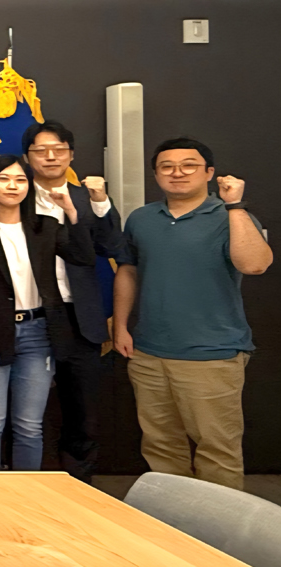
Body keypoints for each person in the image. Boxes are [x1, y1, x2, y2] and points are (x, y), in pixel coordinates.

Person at [113, 138, 271, 490]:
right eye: (167, 167)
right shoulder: (141, 219)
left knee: (217, 449)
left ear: (209, 172)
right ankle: (169, 520)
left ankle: (217, 523)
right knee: (160, 446)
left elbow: (255, 264)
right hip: (148, 353)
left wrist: (235, 205)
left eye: (189, 165)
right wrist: (120, 326)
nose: (178, 173)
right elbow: (128, 272)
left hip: (212, 354)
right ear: (156, 174)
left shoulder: (230, 216)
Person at [0, 155, 93, 470]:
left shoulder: (44, 226)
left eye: (20, 180)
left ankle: (27, 493)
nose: (13, 186)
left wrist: (71, 212)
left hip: (39, 333)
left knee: (29, 425)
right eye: (4, 179)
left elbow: (83, 256)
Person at [21, 121, 123, 482]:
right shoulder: (13, 194)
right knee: (20, 411)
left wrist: (100, 201)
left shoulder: (88, 198)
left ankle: (79, 487)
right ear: (27, 157)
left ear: (72, 154)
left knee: (82, 412)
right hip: (29, 315)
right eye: (40, 150)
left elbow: (112, 246)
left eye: (59, 149)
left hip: (79, 317)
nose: (51, 156)